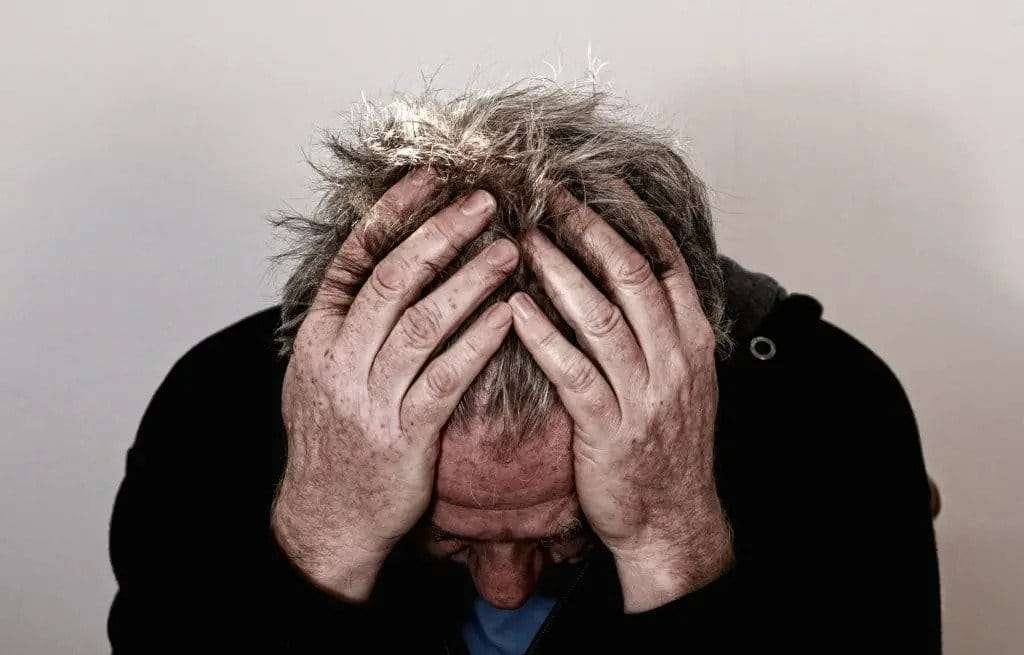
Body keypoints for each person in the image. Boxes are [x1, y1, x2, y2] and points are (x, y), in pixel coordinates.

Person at [107, 78, 941, 653]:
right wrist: (322, 543)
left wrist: (670, 542)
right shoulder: (215, 407)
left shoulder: (833, 411)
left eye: (568, 534)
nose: (506, 589)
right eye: (448, 536)